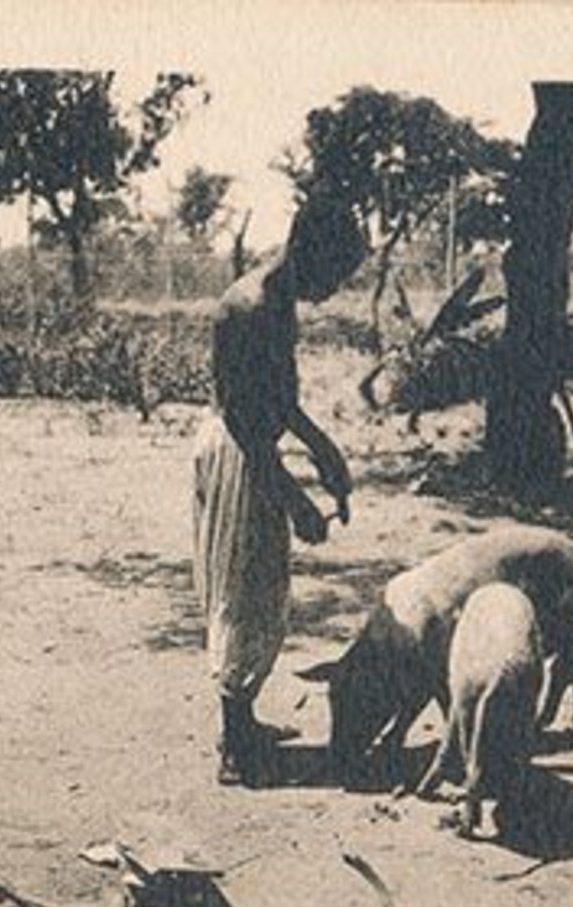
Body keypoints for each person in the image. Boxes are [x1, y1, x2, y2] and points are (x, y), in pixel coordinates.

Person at [193, 197, 367, 786]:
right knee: (241, 594)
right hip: (239, 455)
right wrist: (295, 501)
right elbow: (245, 422)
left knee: (264, 589)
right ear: (307, 249)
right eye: (336, 273)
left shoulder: (281, 300)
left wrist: (325, 453)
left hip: (257, 450)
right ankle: (236, 750)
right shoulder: (249, 306)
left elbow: (283, 401)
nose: (336, 288)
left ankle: (244, 725)